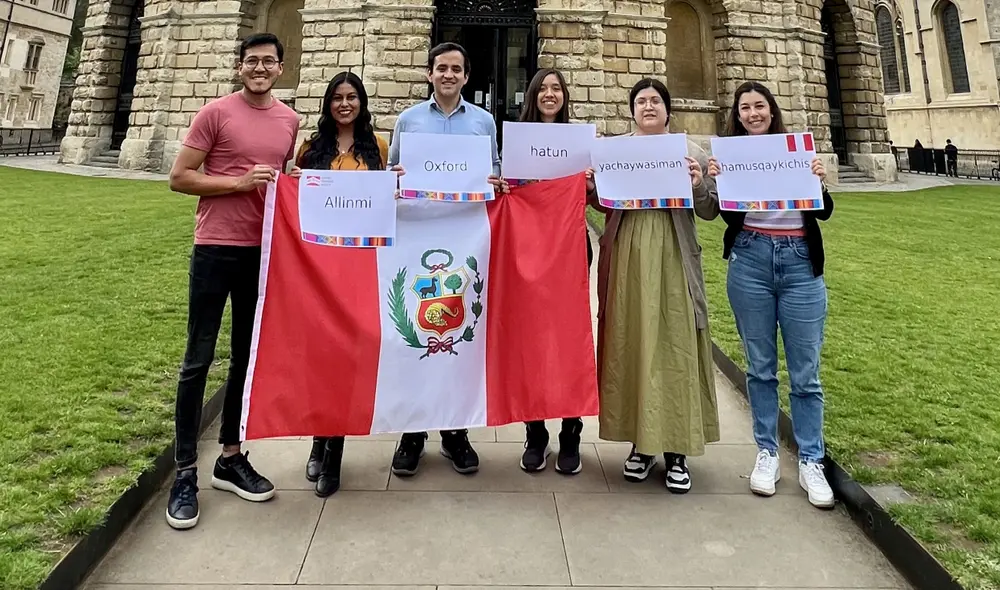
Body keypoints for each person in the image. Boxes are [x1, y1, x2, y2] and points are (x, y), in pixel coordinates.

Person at [164, 32, 300, 529]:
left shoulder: (290, 120)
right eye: (252, 61)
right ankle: (183, 472)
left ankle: (230, 456)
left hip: (261, 253)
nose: (260, 68)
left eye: (268, 62)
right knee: (197, 359)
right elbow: (180, 177)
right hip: (215, 248)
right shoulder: (214, 113)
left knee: (246, 357)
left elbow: (283, 181)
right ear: (240, 66)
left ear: (281, 68)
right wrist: (237, 183)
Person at [707, 81, 835, 509]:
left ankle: (811, 460)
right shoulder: (731, 154)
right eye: (744, 108)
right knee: (760, 368)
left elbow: (823, 211)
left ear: (771, 110)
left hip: (800, 264)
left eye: (759, 106)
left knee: (806, 372)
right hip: (751, 259)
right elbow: (728, 217)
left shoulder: (795, 149)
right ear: (737, 115)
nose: (752, 113)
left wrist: (820, 179)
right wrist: (719, 183)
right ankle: (767, 452)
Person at [590, 78, 720, 494]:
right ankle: (640, 445)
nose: (648, 107)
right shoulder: (616, 150)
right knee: (634, 341)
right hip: (628, 252)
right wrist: (594, 186)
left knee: (674, 342)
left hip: (673, 254)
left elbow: (711, 209)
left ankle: (677, 449)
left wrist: (699, 182)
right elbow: (602, 204)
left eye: (655, 101)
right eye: (641, 101)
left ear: (668, 109)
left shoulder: (690, 151)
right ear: (633, 111)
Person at [386, 41, 506, 477]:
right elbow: (393, 174)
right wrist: (394, 178)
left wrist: (496, 181)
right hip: (419, 236)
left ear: (466, 76)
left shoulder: (484, 122)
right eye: (441, 68)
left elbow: (493, 173)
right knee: (414, 331)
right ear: (429, 74)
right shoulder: (408, 120)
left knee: (461, 335)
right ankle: (412, 433)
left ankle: (456, 433)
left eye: (456, 69)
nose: (449, 75)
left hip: (465, 237)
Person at [292, 71, 396, 497]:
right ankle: (320, 440)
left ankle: (334, 450)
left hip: (359, 267)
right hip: (318, 268)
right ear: (328, 104)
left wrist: (397, 184)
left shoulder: (380, 148)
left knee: (350, 357)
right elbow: (294, 202)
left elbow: (386, 202)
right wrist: (294, 183)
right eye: (337, 97)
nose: (345, 104)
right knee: (321, 359)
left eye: (352, 97)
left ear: (362, 102)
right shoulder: (311, 149)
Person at [512, 67, 594, 474]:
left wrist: (593, 185)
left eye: (556, 88)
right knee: (531, 341)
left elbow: (595, 201)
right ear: (532, 95)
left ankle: (571, 430)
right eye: (542, 88)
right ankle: (536, 430)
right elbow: (506, 194)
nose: (549, 94)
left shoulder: (581, 142)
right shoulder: (517, 141)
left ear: (564, 96)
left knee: (568, 339)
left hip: (569, 250)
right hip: (528, 250)